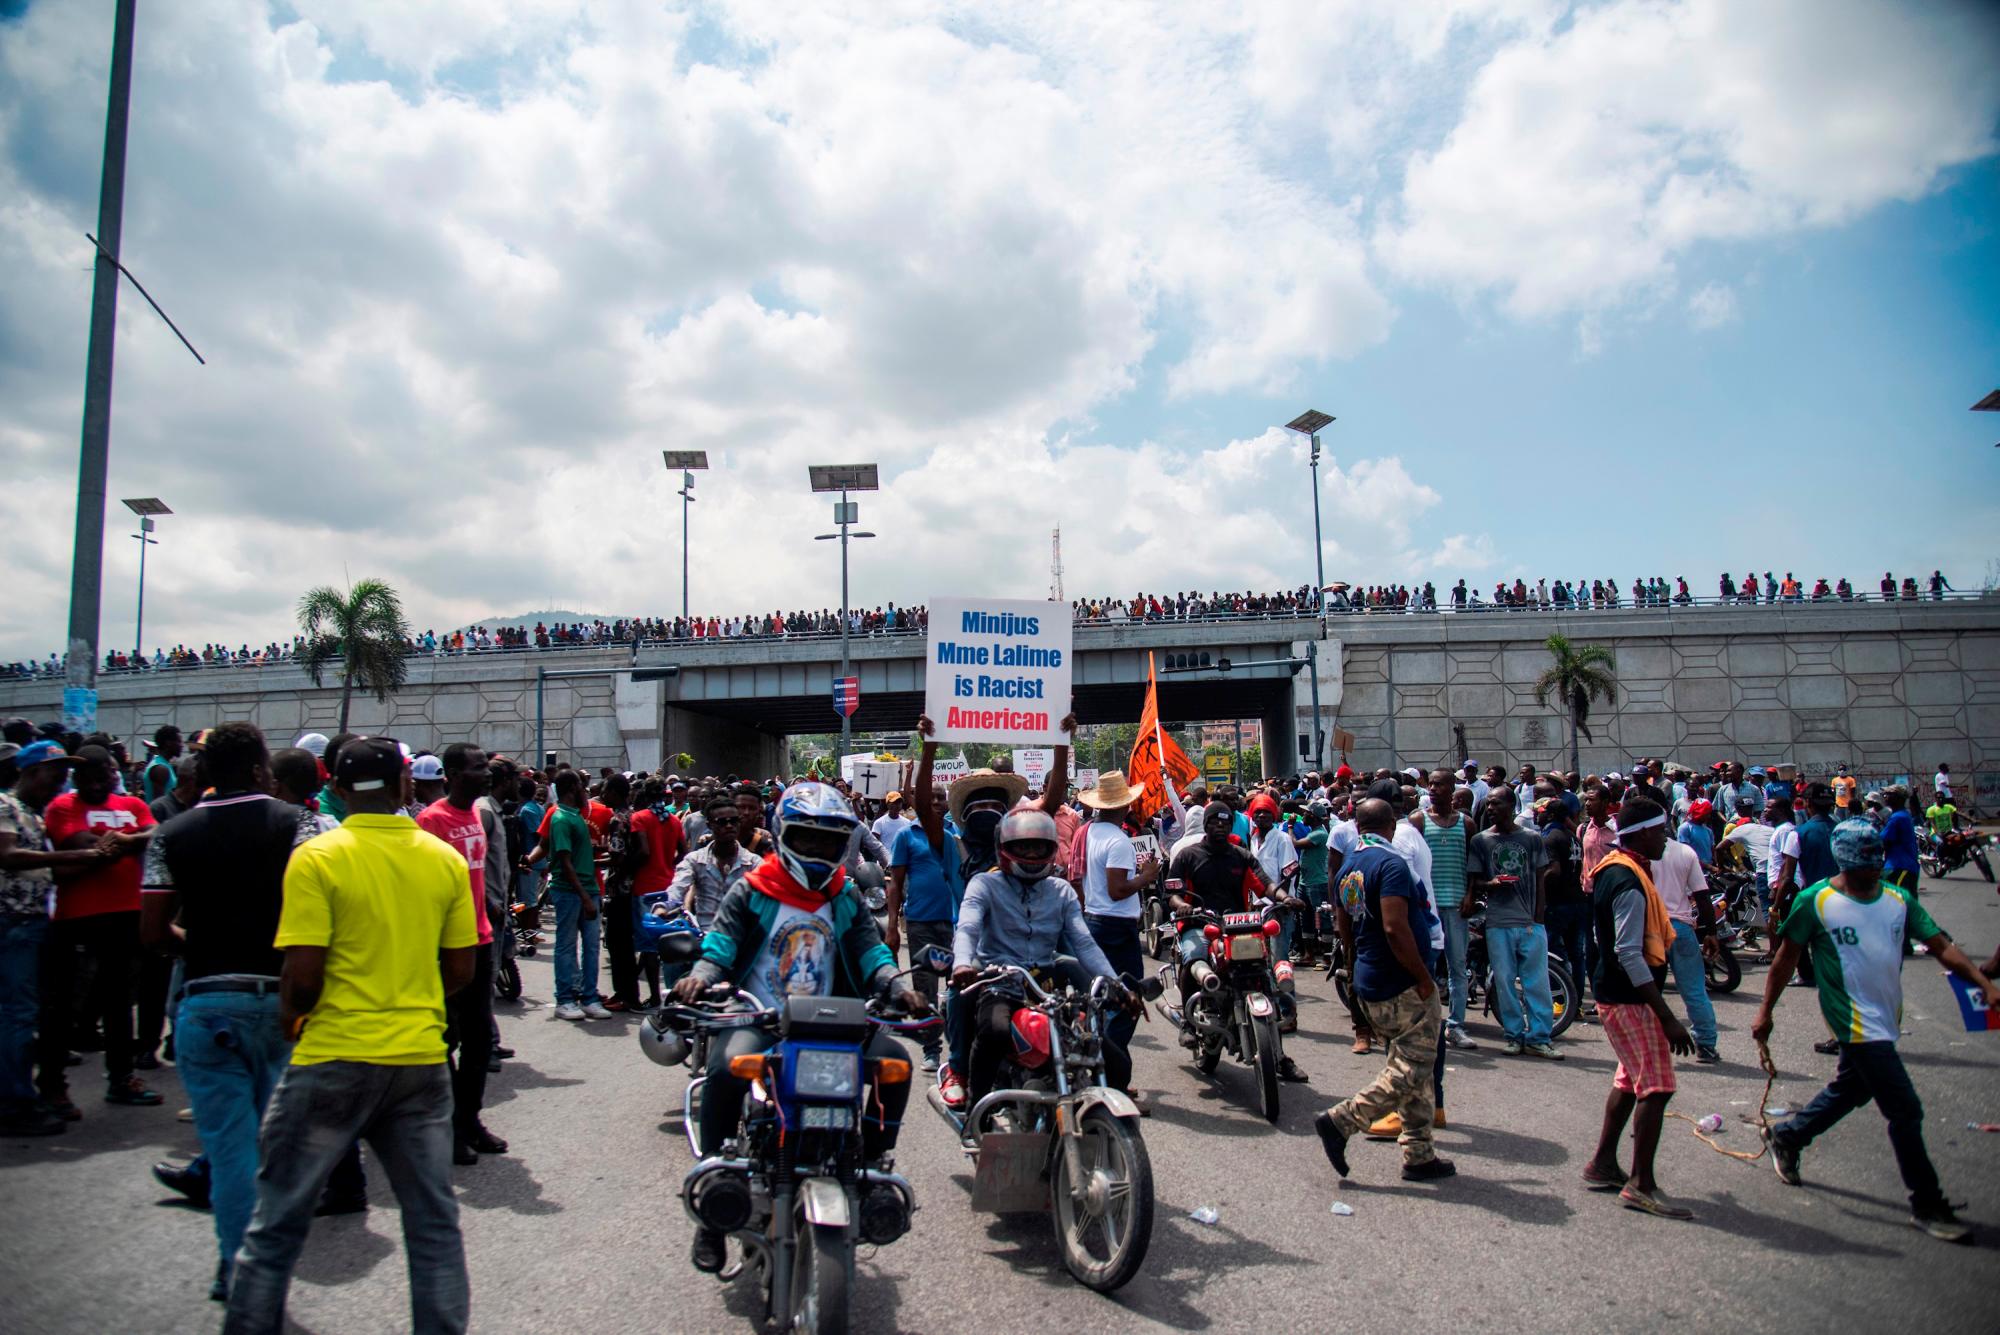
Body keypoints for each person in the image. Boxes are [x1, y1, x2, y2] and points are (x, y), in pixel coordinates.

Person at [224, 736, 479, 1333]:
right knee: (434, 1224)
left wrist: (292, 1022)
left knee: (277, 1224)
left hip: (333, 1054)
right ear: (404, 788)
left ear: (335, 790)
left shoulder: (317, 858)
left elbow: (304, 976)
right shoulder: (440, 859)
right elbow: (462, 969)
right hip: (419, 1060)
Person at [671, 781, 926, 1273]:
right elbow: (721, 944)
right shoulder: (751, 889)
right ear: (785, 835)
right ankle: (713, 1202)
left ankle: (873, 1164)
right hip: (763, 1020)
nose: (818, 850)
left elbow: (869, 949)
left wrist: (895, 983)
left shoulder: (844, 895)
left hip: (833, 1022)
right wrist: (701, 977)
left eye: (828, 842)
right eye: (807, 839)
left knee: (896, 1062)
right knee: (724, 1068)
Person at [1753, 820, 1999, 1243]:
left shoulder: (1899, 900)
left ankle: (1789, 1136)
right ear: (1846, 862)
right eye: (1865, 863)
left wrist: (1983, 983)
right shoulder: (1816, 901)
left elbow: (1941, 946)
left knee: (1853, 1089)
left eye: (1877, 861)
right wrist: (1765, 1013)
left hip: (1887, 1018)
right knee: (1905, 1110)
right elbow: (1785, 960)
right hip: (1853, 1021)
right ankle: (1927, 1203)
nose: (1874, 869)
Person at [139, 723, 317, 1300]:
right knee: (273, 1145)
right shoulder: (301, 826)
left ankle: (238, 1267)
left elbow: (153, 930)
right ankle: (264, 1266)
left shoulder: (170, 834)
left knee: (229, 1147)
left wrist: (202, 944)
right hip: (281, 997)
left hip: (209, 998)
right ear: (264, 769)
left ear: (206, 774)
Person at [952, 808, 1135, 1109]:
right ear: (1004, 849)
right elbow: (968, 927)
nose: (1032, 853)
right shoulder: (984, 885)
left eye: (1039, 846)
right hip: (1000, 984)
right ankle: (978, 1113)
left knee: (1113, 1060)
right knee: (994, 1032)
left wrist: (1117, 985)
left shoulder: (1061, 891)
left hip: (1047, 990)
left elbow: (1084, 944)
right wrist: (962, 963)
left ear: (1051, 849)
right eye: (1023, 846)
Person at [1315, 798, 1451, 1182]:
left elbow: (1345, 928)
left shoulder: (1349, 865)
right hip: (1401, 982)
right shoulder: (1389, 865)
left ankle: (1419, 1154)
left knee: (1411, 1070)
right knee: (1413, 1068)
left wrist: (1354, 967)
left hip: (1370, 976)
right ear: (1391, 825)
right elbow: (1394, 927)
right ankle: (1342, 1120)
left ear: (1357, 827)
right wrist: (1423, 977)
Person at [1580, 796, 1697, 1220]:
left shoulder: (1622, 870)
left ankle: (1603, 1164)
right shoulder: (1627, 880)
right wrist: (1666, 1015)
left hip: (1620, 992)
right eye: (1661, 831)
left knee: (1630, 1079)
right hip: (1628, 996)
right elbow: (1628, 951)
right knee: (1658, 1086)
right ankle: (1641, 1184)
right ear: (1643, 833)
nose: (1665, 839)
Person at [37, 743, 161, 1114]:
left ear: (113, 773)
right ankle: (53, 1086)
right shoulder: (63, 807)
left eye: (103, 775)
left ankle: (121, 1078)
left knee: (119, 1002)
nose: (96, 783)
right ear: (77, 778)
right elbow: (78, 843)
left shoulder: (134, 805)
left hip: (126, 913)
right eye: (87, 778)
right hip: (76, 916)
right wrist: (127, 842)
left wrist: (119, 844)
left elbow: (158, 837)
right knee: (61, 1007)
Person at [0, 742, 109, 1136]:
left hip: (30, 922)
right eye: (55, 771)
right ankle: (13, 1103)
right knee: (18, 1014)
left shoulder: (34, 814)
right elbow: (8, 855)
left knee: (22, 1013)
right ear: (30, 771)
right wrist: (70, 858)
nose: (61, 780)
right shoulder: (6, 807)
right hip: (11, 922)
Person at [415, 744, 505, 1163]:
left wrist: (487, 905)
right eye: (477, 767)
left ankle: (469, 1120)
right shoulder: (430, 821)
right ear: (451, 774)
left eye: (486, 767)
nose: (486, 773)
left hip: (480, 940)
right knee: (445, 1038)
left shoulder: (477, 815)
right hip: (446, 946)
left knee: (479, 1039)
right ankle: (448, 1125)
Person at [1468, 788, 1561, 1058]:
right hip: (1498, 921)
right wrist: (1492, 883)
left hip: (1530, 921)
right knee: (1504, 982)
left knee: (1537, 982)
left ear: (1511, 805)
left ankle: (1539, 1037)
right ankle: (1513, 1034)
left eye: (1496, 803)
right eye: (1488, 804)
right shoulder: (1480, 841)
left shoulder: (1532, 838)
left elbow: (1541, 877)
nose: (1490, 809)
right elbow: (1475, 882)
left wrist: (1539, 915)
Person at [1413, 770, 1474, 1048]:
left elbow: (1474, 865)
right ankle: (1422, 1022)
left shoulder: (1467, 824)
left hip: (1456, 906)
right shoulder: (1418, 821)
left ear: (1453, 789)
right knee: (1423, 965)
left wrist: (1471, 895)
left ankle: (1456, 1025)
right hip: (1426, 907)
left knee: (1457, 967)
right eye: (1431, 785)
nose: (1433, 789)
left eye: (1440, 785)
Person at [1650, 827, 1720, 1063]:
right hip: (1680, 927)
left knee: (1650, 991)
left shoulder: (1637, 853)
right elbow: (1702, 897)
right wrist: (1711, 932)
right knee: (1694, 990)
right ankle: (1707, 1045)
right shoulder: (1685, 852)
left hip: (1651, 928)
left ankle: (1650, 1047)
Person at [142, 724, 184, 805]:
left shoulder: (164, 765)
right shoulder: (160, 769)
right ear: (168, 743)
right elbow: (158, 805)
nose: (182, 745)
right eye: (179, 741)